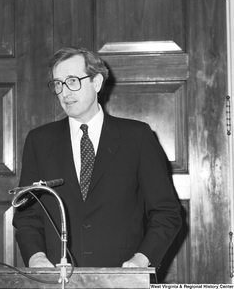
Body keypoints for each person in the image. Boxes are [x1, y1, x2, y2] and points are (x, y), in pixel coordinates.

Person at [13, 46, 182, 269]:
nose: (64, 92)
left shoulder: (137, 137)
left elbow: (166, 212)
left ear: (97, 82)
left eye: (72, 81)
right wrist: (37, 258)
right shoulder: (39, 141)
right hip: (58, 279)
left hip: (122, 278)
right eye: (58, 83)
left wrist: (142, 260)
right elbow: (27, 215)